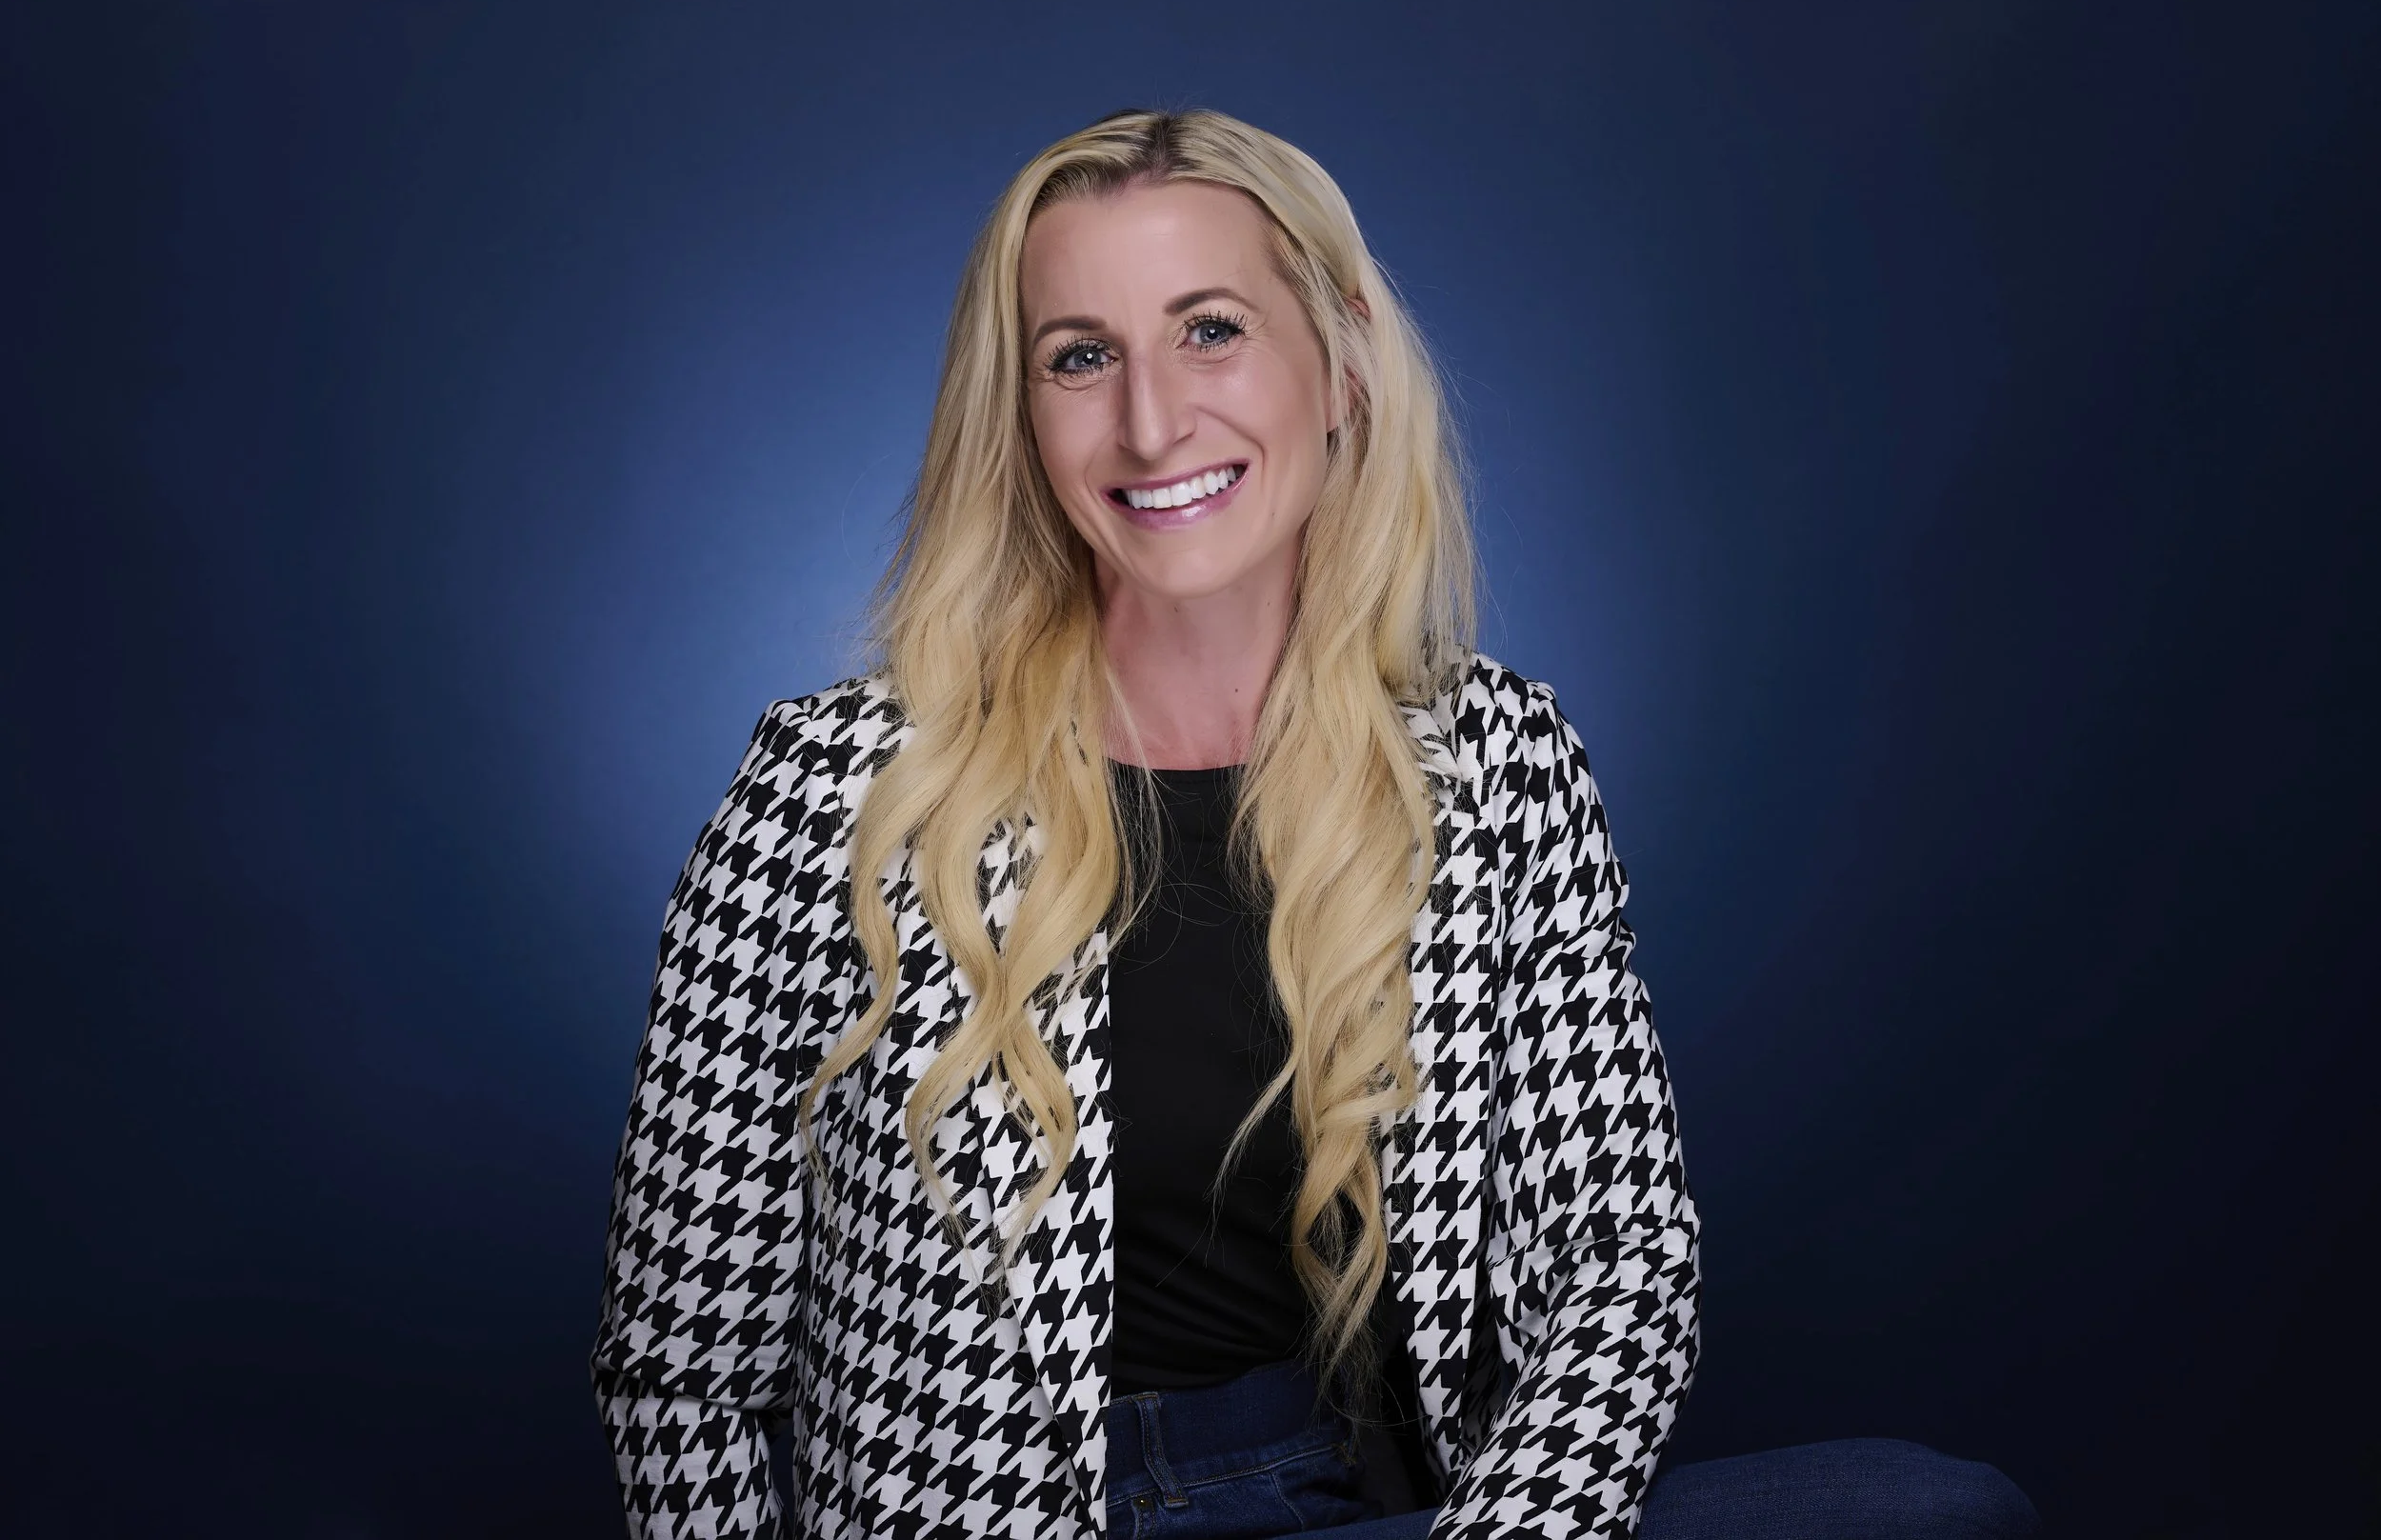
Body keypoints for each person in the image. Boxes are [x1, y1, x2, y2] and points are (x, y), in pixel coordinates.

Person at [591, 108, 2039, 1540]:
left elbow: (1622, 1259)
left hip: (1385, 1513)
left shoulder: (1499, 767)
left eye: (1210, 328)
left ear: (1341, 361)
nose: (1151, 420)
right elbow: (680, 1368)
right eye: (1080, 357)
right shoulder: (833, 786)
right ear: (1023, 417)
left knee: (1934, 1514)